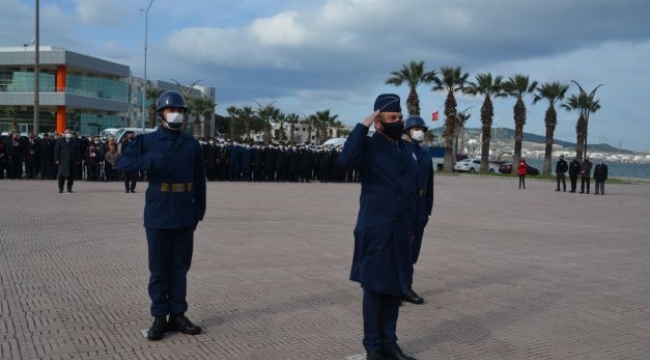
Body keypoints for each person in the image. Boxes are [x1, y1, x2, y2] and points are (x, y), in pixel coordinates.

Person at [116, 90, 206, 341]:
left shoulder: (191, 144)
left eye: (180, 110)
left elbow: (200, 179)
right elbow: (121, 164)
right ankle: (159, 316)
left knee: (180, 267)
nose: (176, 113)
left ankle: (178, 314)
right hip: (158, 211)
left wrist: (199, 210)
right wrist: (148, 160)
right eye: (170, 109)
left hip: (185, 211)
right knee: (158, 269)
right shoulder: (147, 142)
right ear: (161, 114)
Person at [338, 93, 419, 360]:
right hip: (376, 228)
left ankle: (390, 344)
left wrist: (414, 225)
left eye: (400, 117)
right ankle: (373, 346)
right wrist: (363, 126)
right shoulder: (369, 146)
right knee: (374, 290)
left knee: (395, 289)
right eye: (392, 118)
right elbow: (346, 160)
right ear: (379, 122)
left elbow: (412, 189)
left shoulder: (406, 149)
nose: (399, 122)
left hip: (400, 230)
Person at [401, 115, 433, 306]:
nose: (419, 131)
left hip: (420, 205)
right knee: (401, 248)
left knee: (413, 250)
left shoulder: (426, 153)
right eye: (416, 128)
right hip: (405, 204)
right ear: (407, 131)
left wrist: (428, 209)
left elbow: (430, 183)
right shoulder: (402, 149)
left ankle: (405, 285)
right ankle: (401, 288)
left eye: (421, 128)